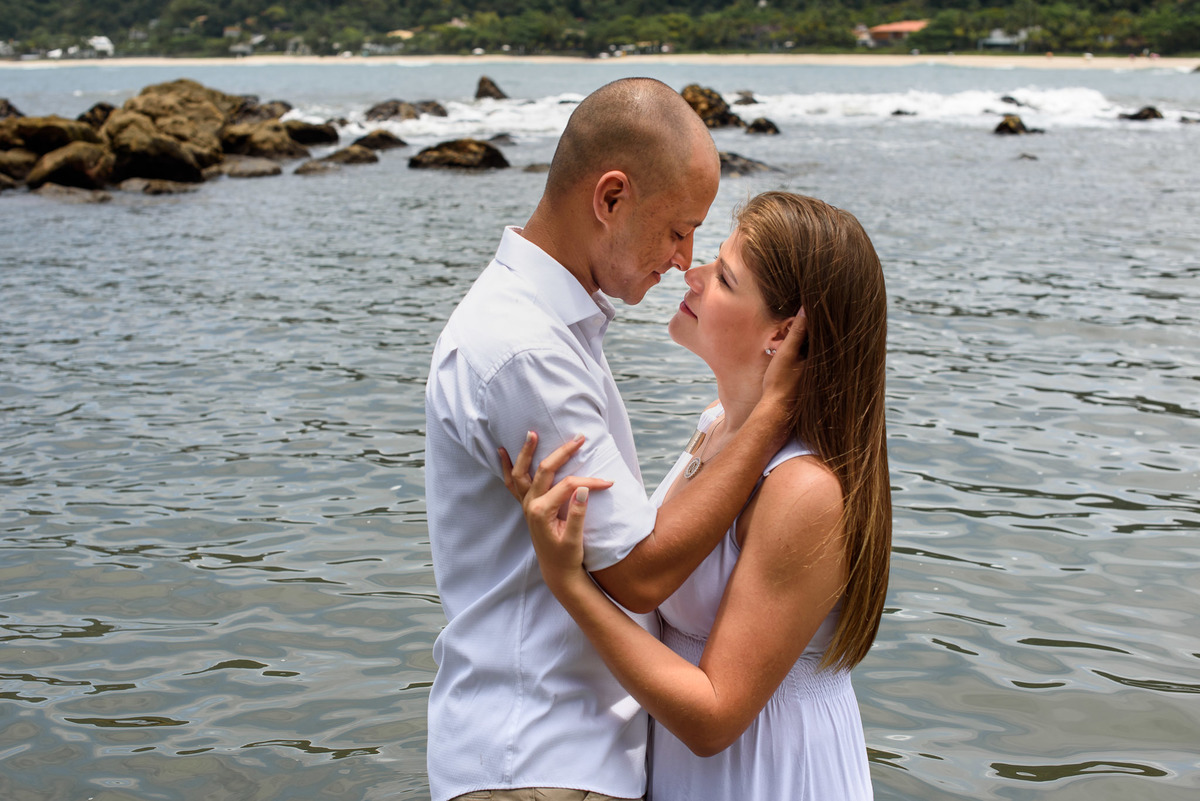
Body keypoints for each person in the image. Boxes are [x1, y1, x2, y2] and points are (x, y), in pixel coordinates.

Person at [423, 80, 807, 801]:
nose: (681, 260)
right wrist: (772, 417)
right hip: (539, 758)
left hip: (550, 754)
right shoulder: (525, 348)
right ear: (610, 198)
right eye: (677, 228)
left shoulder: (547, 328)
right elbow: (639, 572)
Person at [504, 192, 891, 799]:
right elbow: (649, 563)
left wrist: (569, 585)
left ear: (783, 333)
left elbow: (714, 716)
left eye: (726, 277)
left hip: (767, 772)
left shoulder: (802, 490)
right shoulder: (716, 425)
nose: (693, 272)